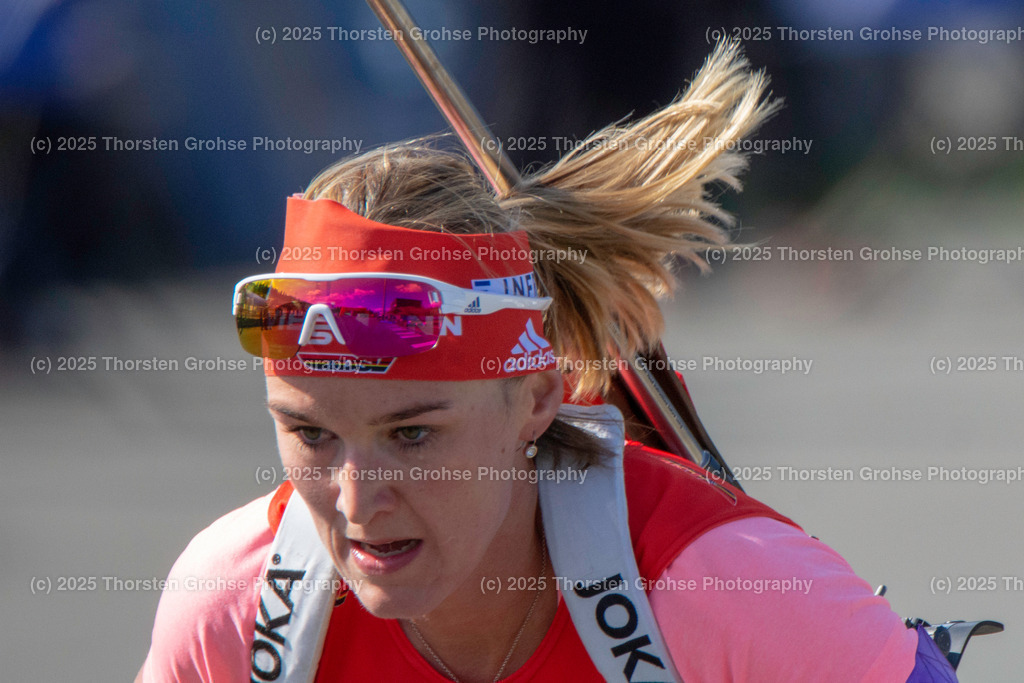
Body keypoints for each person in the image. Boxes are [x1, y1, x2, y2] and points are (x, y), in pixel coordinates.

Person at [136, 43, 957, 682]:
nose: (357, 497)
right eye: (311, 435)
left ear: (535, 394)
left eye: (414, 434)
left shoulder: (721, 587)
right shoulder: (237, 610)